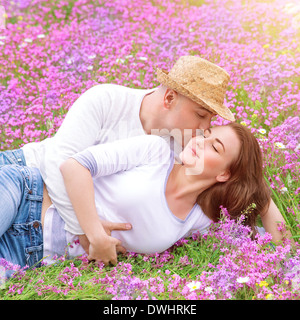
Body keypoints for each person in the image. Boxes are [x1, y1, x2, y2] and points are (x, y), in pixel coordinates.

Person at [0, 56, 286, 266]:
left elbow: (231, 179)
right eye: (201, 115)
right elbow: (61, 162)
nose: (202, 130)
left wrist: (253, 180)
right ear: (170, 98)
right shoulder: (107, 99)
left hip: (39, 234)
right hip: (29, 172)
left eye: (210, 122)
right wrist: (89, 231)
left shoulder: (183, 147)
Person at [0, 122, 282, 270]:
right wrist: (95, 234)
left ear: (224, 175)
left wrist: (259, 190)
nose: (198, 141)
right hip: (26, 196)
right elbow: (74, 166)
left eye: (214, 147)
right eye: (206, 134)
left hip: (31, 253)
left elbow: (280, 251)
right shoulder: (155, 151)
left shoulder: (200, 220)